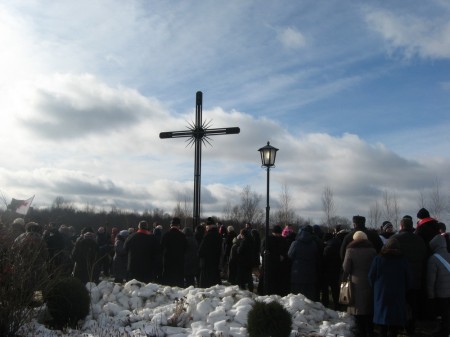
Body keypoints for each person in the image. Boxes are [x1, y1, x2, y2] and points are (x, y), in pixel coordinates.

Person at [368, 238, 411, 337]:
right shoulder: (403, 260)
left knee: (382, 320)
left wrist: (374, 288)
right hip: (398, 293)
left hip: (381, 293)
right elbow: (408, 277)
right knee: (394, 322)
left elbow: (371, 276)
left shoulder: (378, 259)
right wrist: (406, 289)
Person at [391, 215, 427, 334]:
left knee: (399, 304)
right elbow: (424, 256)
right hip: (415, 278)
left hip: (398, 279)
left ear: (401, 226)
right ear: (412, 226)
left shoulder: (395, 239)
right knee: (412, 304)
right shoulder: (419, 240)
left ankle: (399, 326)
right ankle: (411, 327)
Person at [342, 231, 376, 337]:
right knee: (368, 305)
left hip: (355, 281)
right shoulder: (372, 250)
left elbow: (346, 268)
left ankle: (360, 330)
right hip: (370, 280)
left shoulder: (350, 250)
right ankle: (370, 329)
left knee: (357, 307)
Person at [288, 225, 321, 301]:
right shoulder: (313, 244)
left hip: (297, 273)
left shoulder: (295, 243)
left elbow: (290, 255)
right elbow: (316, 254)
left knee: (296, 297)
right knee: (309, 297)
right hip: (310, 273)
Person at [427, 234, 450, 337]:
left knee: (444, 314)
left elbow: (431, 280)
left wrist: (430, 296)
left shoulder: (433, 259)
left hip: (441, 293)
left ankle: (444, 331)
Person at [258, 224, 290, 296]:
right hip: (271, 265)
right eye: (277, 233)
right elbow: (263, 251)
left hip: (274, 266)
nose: (278, 235)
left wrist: (283, 256)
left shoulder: (280, 240)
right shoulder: (269, 239)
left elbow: (286, 251)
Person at [161, 217, 187, 287]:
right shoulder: (182, 236)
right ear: (179, 226)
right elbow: (185, 249)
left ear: (171, 225)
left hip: (168, 263)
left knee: (167, 284)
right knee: (178, 284)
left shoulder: (166, 235)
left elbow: (161, 249)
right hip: (179, 263)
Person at [198, 217, 222, 288]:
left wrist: (199, 255)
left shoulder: (208, 235)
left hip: (206, 264)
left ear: (209, 226)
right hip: (215, 263)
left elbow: (201, 251)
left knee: (205, 286)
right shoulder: (218, 235)